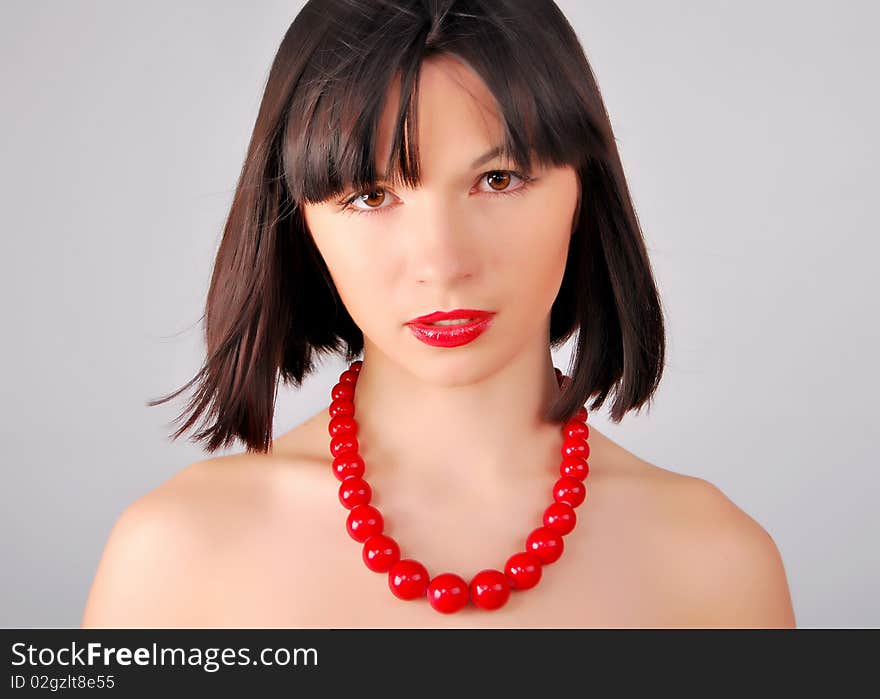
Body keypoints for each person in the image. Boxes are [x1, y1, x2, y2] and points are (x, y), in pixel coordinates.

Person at [81, 0, 795, 627]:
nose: (443, 262)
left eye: (498, 179)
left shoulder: (718, 563)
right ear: (297, 222)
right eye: (369, 194)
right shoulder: (175, 553)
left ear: (585, 193)